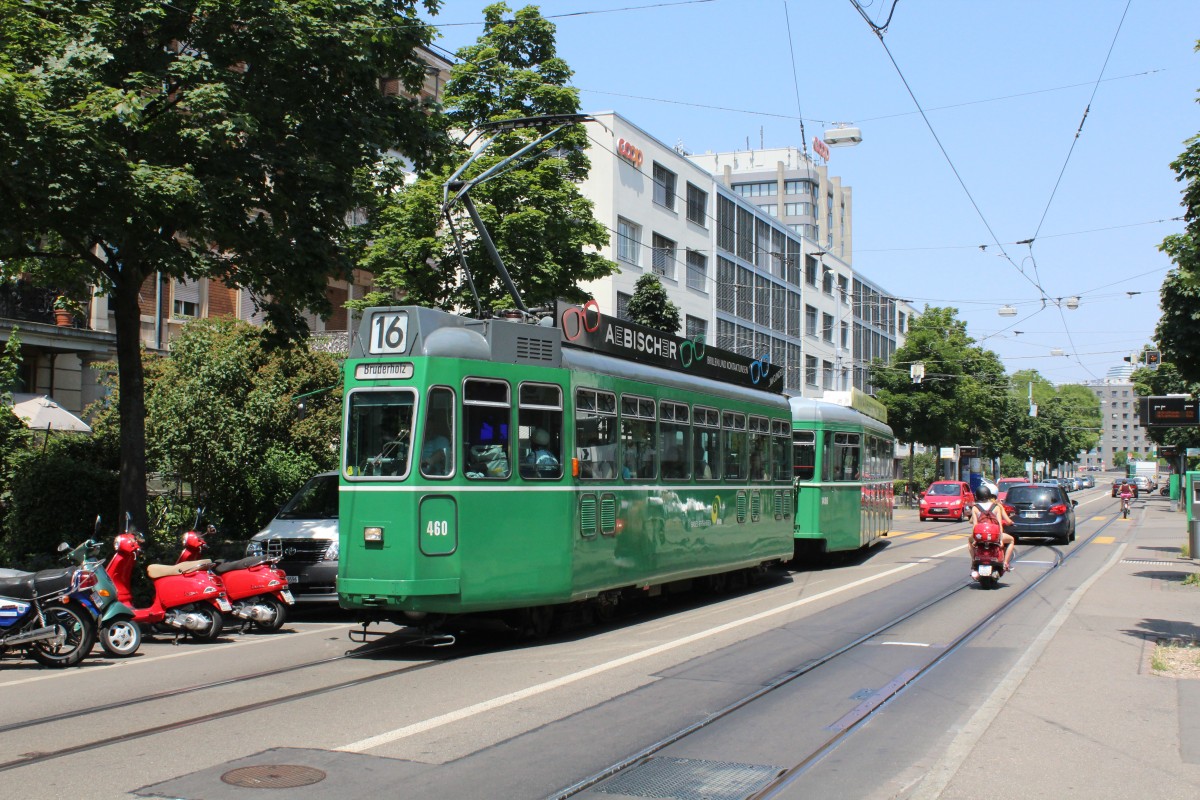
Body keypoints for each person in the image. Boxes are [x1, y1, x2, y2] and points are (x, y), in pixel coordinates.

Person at [968, 485, 1015, 576]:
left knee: (969, 541)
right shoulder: (996, 506)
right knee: (1012, 540)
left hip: (980, 536)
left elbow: (975, 525)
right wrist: (1000, 539)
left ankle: (974, 561)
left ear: (977, 496)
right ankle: (1005, 563)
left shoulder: (975, 507)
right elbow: (999, 524)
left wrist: (974, 539)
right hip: (995, 536)